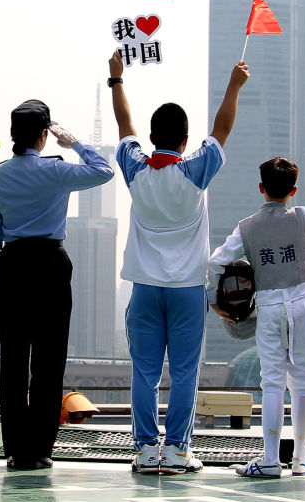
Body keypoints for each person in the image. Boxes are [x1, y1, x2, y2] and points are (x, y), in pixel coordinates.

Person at [109, 51, 250, 474]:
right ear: (186, 142)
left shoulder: (135, 168)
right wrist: (234, 85)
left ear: (152, 138)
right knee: (185, 372)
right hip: (187, 290)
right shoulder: (195, 172)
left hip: (144, 288)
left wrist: (117, 79)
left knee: (144, 372)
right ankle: (176, 451)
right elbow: (222, 129)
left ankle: (145, 450)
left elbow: (124, 125)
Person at [0, 100, 114, 470]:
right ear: (44, 135)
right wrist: (74, 143)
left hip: (11, 264)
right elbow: (103, 171)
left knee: (13, 363)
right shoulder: (55, 169)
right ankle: (40, 449)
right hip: (51, 264)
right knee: (49, 360)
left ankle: (15, 449)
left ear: (13, 135)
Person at [208, 130, 305, 479]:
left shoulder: (246, 228)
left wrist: (214, 301)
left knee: (272, 382)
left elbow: (215, 262)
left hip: (268, 309)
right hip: (303, 305)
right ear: (293, 191)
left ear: (261, 188)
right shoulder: (303, 217)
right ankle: (301, 459)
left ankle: (270, 459)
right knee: (303, 381)